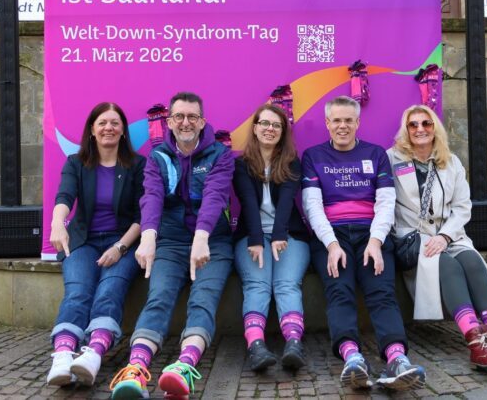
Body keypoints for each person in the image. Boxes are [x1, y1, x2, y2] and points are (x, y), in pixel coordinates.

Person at [386, 104, 487, 382]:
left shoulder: (451, 161)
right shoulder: (392, 159)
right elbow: (384, 202)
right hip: (415, 239)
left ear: (434, 127)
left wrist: (445, 235)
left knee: (473, 260)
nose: (420, 129)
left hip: (449, 234)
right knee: (447, 265)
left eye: (426, 123)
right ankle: (476, 341)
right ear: (406, 130)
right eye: (413, 125)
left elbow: (463, 207)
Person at [110, 91, 235, 399]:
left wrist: (202, 237)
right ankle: (136, 369)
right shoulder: (157, 157)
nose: (185, 122)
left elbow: (215, 196)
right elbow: (151, 196)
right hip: (171, 241)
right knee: (159, 297)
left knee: (203, 298)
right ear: (169, 120)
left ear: (202, 121)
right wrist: (149, 237)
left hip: (212, 242)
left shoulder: (221, 154)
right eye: (179, 116)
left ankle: (184, 366)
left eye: (192, 116)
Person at [301, 95, 425, 391]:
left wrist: (376, 241)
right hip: (332, 236)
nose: (342, 126)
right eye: (337, 120)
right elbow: (312, 206)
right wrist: (331, 245)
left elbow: (386, 202)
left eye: (348, 120)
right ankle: (352, 358)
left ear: (358, 122)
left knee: (382, 292)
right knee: (339, 290)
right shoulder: (313, 156)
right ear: (327, 123)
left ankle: (397, 359)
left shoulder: (376, 154)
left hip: (372, 234)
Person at [46, 102, 147, 387]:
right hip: (83, 241)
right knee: (78, 292)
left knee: (109, 290)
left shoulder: (137, 165)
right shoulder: (76, 163)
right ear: (92, 129)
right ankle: (63, 355)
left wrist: (120, 248)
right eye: (102, 122)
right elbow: (64, 197)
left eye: (115, 123)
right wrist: (57, 224)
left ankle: (94, 353)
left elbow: (144, 215)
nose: (109, 128)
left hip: (123, 242)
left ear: (123, 131)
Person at [232, 104, 310, 372]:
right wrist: (256, 239)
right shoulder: (240, 164)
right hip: (252, 235)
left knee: (287, 284)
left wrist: (279, 235)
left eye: (276, 125)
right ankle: (256, 346)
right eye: (264, 123)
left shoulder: (292, 162)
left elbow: (288, 199)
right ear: (255, 128)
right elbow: (248, 202)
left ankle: (294, 343)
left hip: (289, 234)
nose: (270, 129)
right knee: (257, 284)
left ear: (283, 131)